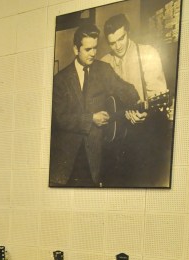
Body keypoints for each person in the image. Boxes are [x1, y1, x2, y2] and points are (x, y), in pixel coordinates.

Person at [49, 23, 139, 187]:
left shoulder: (103, 70)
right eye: (88, 49)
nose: (93, 53)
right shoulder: (60, 80)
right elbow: (59, 118)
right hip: (68, 157)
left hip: (97, 154)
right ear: (76, 49)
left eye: (95, 48)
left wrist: (137, 104)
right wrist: (91, 118)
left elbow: (126, 90)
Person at [100, 13, 173, 188]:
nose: (118, 46)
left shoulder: (148, 53)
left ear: (128, 32)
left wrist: (145, 113)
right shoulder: (104, 62)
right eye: (112, 43)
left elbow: (158, 94)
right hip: (116, 136)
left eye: (121, 38)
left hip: (145, 133)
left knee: (142, 182)